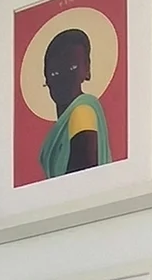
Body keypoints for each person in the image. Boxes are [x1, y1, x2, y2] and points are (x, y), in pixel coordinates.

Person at [38, 27, 112, 177]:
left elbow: (80, 176)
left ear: (87, 70)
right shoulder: (63, 125)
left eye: (72, 68)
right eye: (55, 73)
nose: (63, 79)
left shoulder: (82, 111)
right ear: (47, 79)